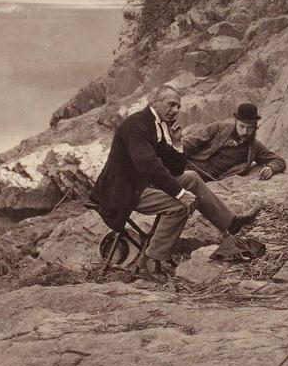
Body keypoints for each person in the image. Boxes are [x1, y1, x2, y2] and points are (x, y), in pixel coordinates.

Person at [90, 84, 261, 277]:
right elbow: (147, 164)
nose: (175, 111)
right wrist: (179, 194)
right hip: (122, 192)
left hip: (140, 185)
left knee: (191, 178)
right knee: (180, 206)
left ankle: (230, 223)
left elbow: (176, 168)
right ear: (154, 101)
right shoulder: (136, 124)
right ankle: (151, 260)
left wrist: (178, 143)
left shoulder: (158, 125)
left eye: (178, 106)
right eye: (171, 105)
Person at [182, 102, 286, 182]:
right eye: (242, 126)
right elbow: (190, 142)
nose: (245, 132)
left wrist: (271, 168)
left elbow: (279, 161)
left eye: (250, 128)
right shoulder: (218, 128)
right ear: (236, 122)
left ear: (255, 127)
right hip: (187, 165)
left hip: (206, 180)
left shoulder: (255, 147)